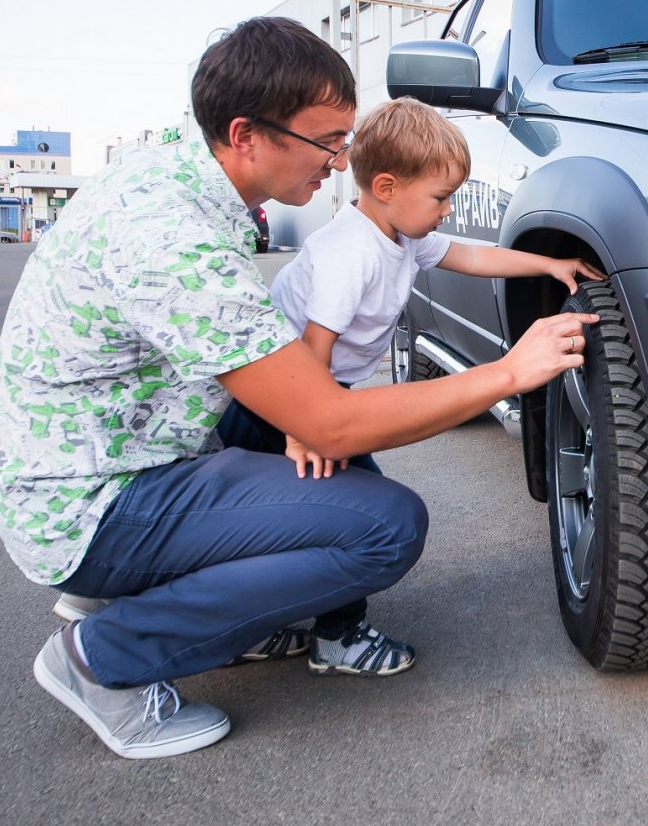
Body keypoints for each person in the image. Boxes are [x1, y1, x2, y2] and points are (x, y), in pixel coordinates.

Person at [0, 17, 597, 760]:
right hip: (94, 503)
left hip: (135, 459)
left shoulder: (180, 181)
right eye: (328, 141)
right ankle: (104, 656)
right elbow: (330, 421)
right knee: (383, 525)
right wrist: (509, 371)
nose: (340, 164)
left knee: (333, 500)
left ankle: (203, 608)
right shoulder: (171, 238)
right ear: (247, 134)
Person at [207, 97, 604, 671]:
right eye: (441, 198)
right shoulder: (351, 254)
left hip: (314, 397)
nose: (446, 211)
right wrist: (305, 429)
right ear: (388, 186)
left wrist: (547, 265)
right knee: (347, 510)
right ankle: (336, 637)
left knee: (295, 517)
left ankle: (262, 624)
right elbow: (311, 349)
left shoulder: (401, 234)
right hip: (287, 403)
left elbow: (470, 257)